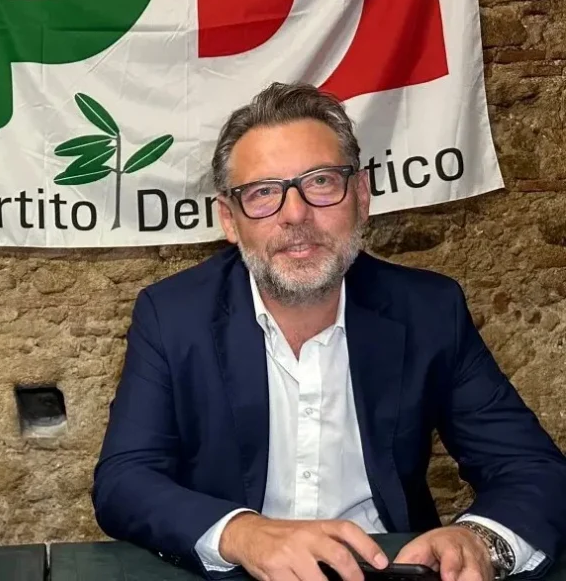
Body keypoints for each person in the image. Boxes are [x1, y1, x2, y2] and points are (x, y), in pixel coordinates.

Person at [92, 82, 566, 581]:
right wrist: (242, 533)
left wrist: (479, 541)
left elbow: (533, 470)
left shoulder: (428, 311)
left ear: (360, 196)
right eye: (263, 192)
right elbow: (126, 480)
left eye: (320, 182)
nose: (295, 214)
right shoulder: (172, 316)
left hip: (386, 567)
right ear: (229, 220)